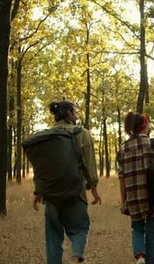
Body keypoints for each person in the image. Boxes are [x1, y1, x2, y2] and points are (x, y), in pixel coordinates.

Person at [33, 101, 102, 264]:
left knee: (53, 239)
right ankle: (76, 256)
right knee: (81, 228)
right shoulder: (81, 133)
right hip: (75, 194)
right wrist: (93, 187)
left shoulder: (46, 136)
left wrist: (38, 192)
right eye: (75, 112)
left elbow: (40, 167)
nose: (77, 115)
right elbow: (89, 163)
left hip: (50, 196)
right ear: (69, 113)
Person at [117, 112, 154, 264]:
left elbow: (122, 178)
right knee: (151, 233)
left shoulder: (123, 149)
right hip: (153, 198)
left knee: (137, 229)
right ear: (145, 126)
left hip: (133, 198)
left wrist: (123, 201)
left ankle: (140, 256)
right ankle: (149, 261)